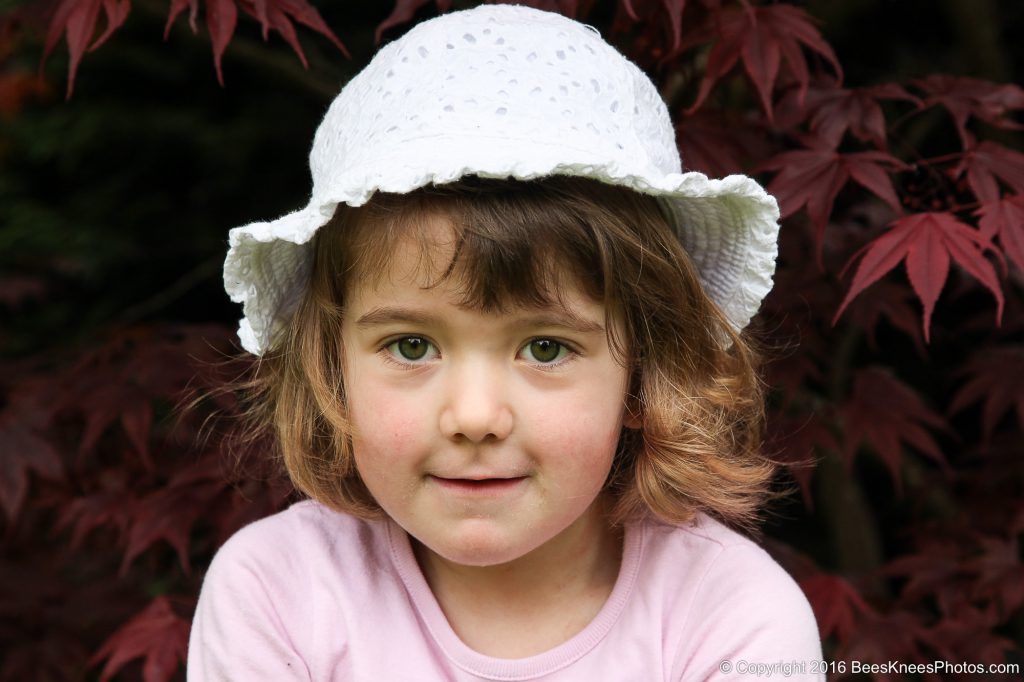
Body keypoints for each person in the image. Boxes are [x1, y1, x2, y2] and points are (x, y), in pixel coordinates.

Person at [188, 4, 824, 680]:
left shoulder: (728, 616)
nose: (475, 418)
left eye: (545, 348)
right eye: (410, 346)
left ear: (647, 371)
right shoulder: (279, 593)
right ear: (332, 367)